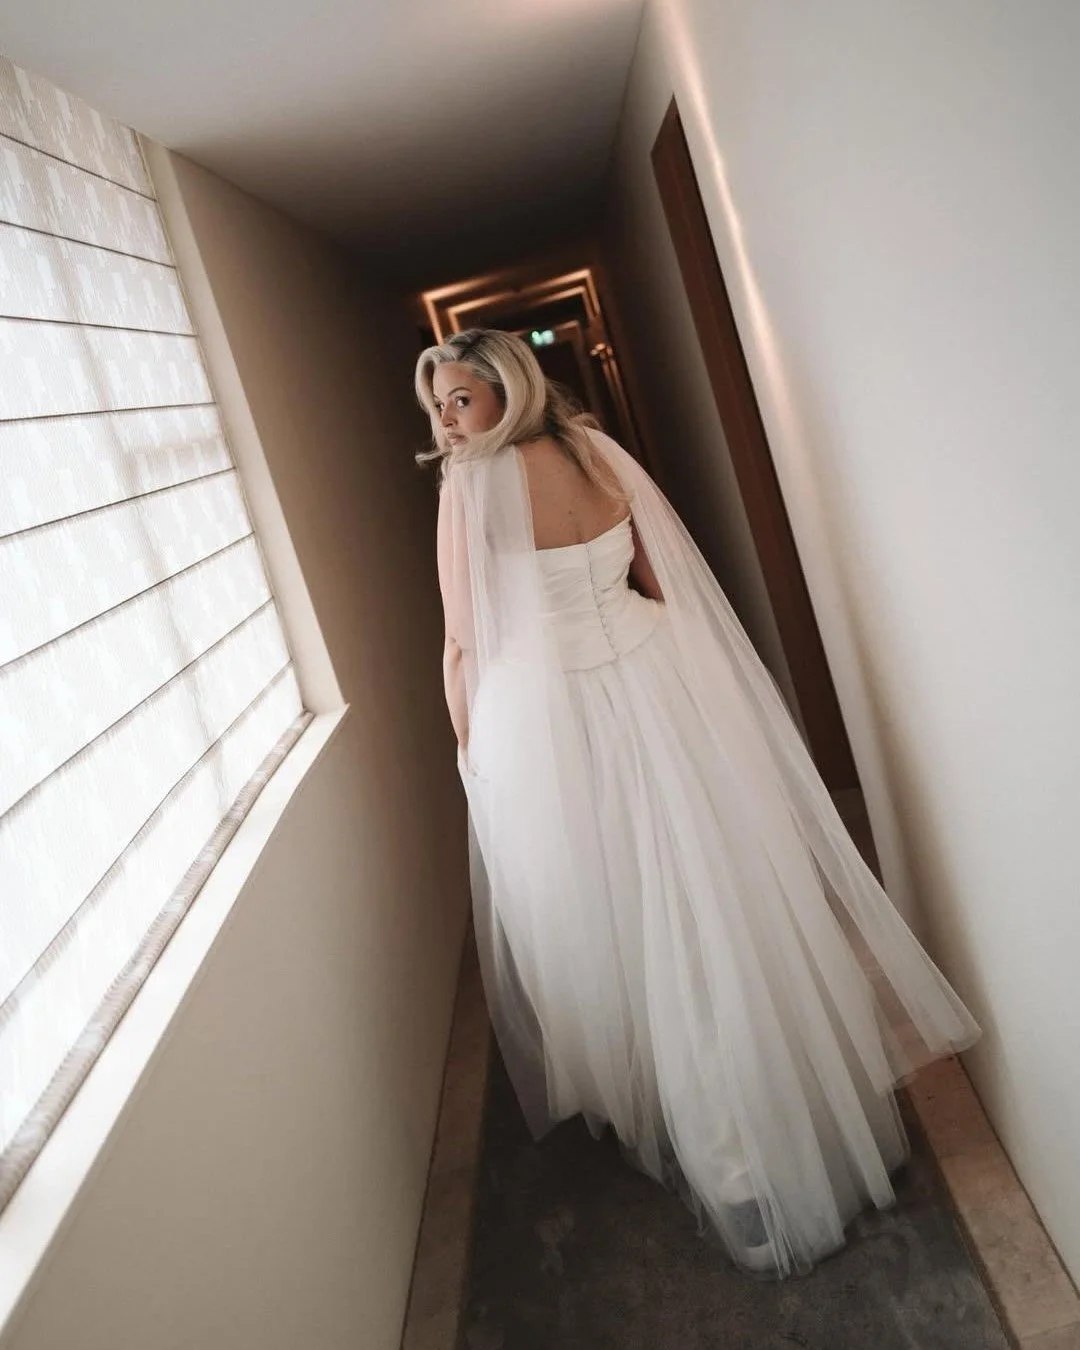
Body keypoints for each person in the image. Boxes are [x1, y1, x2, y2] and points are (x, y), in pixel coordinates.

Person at [415, 327, 980, 1277]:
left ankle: (744, 1171)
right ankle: (809, 1119)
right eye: (436, 403)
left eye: (458, 398)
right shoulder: (594, 448)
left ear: (504, 390)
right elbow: (655, 573)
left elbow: (464, 641)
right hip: (657, 671)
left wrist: (472, 746)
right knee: (720, 900)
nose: (445, 419)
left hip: (562, 716)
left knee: (633, 922)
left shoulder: (472, 485)